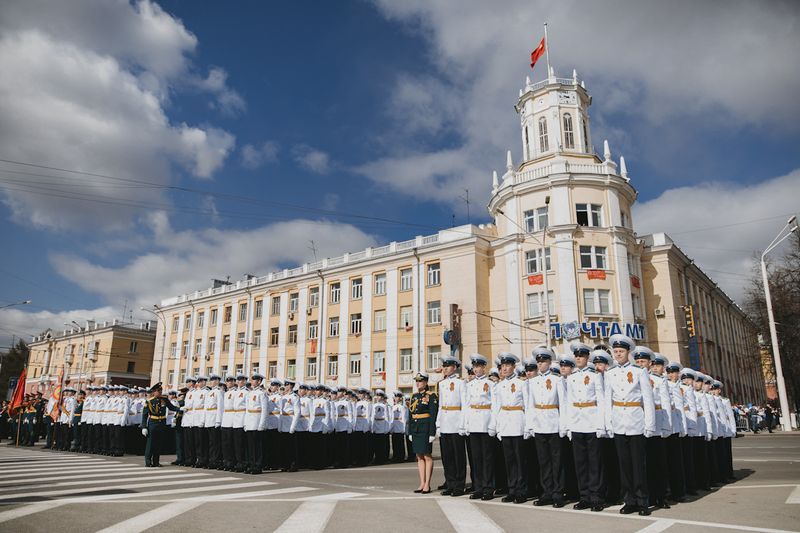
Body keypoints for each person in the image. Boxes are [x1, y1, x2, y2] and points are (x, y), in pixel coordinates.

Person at [604, 334, 656, 516]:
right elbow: (607, 400)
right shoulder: (609, 374)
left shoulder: (639, 371)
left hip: (636, 420)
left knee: (638, 464)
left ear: (628, 352)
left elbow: (648, 400)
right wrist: (608, 424)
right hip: (619, 421)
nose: (618, 354)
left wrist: (649, 425)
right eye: (615, 351)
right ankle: (629, 500)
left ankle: (642, 501)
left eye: (621, 351)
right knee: (624, 465)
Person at [565, 342, 606, 512]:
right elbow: (568, 402)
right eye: (576, 356)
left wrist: (601, 424)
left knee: (595, 462)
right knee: (580, 462)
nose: (578, 358)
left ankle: (596, 496)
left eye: (581, 356)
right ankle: (585, 496)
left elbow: (601, 400)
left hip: (592, 421)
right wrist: (568, 426)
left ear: (587, 357)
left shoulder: (595, 376)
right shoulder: (571, 378)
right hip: (577, 422)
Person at [529, 347, 567, 508]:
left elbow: (563, 404)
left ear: (550, 362)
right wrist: (530, 425)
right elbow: (531, 405)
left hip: (553, 422)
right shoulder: (533, 381)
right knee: (544, 461)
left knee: (557, 461)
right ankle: (547, 492)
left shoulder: (558, 380)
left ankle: (558, 493)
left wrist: (563, 425)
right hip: (539, 424)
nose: (540, 364)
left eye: (543, 361)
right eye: (538, 362)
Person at [494, 352, 529, 504]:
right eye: (503, 366)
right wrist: (498, 427)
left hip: (518, 422)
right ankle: (512, 489)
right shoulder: (499, 386)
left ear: (514, 366)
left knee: (520, 459)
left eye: (508, 365)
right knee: (509, 460)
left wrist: (528, 426)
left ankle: (521, 490)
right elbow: (497, 407)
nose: (505, 368)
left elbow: (527, 406)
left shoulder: (522, 383)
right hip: (506, 423)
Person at [465, 353, 496, 501]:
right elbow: (466, 405)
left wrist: (493, 424)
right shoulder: (469, 385)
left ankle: (488, 488)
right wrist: (465, 424)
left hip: (485, 421)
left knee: (487, 458)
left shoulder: (491, 384)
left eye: (478, 366)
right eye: (474, 367)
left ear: (484, 367)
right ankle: (478, 487)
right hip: (474, 423)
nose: (476, 369)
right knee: (476, 458)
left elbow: (495, 406)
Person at [437, 354, 467, 497]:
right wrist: (438, 424)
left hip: (456, 421)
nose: (445, 369)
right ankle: (450, 483)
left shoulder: (461, 383)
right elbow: (441, 405)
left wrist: (462, 424)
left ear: (454, 368)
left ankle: (459, 485)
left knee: (458, 456)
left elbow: (464, 405)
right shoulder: (441, 384)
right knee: (447, 456)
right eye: (444, 366)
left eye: (447, 366)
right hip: (445, 422)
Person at [409, 372, 438, 494]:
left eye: (420, 381)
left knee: (427, 456)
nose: (418, 383)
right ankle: (421, 482)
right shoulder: (414, 396)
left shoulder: (431, 396)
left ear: (426, 382)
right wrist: (410, 431)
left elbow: (433, 415)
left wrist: (432, 432)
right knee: (419, 456)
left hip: (425, 429)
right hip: (416, 428)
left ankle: (427, 484)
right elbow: (410, 415)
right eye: (416, 381)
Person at [140, 382, 180, 467]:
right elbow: (144, 415)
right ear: (154, 392)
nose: (160, 392)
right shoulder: (149, 401)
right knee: (151, 443)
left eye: (161, 391)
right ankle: (148, 462)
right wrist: (144, 427)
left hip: (162, 423)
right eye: (158, 391)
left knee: (158, 444)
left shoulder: (164, 399)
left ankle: (156, 462)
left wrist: (179, 409)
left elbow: (171, 407)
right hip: (153, 423)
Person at [390, 391, 408, 463]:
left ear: (400, 398)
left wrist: (403, 429)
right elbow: (391, 418)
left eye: (397, 397)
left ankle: (400, 457)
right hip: (394, 426)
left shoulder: (402, 407)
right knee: (394, 443)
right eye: (395, 397)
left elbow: (404, 418)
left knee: (400, 443)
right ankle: (395, 456)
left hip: (400, 427)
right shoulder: (393, 407)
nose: (396, 398)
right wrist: (391, 428)